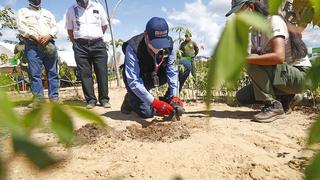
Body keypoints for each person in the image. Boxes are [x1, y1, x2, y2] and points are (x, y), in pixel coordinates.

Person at [226, 0, 311, 123]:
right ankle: (287, 98)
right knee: (242, 96)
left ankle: (273, 106)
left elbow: (279, 57)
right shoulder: (255, 30)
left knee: (250, 61)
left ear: (251, 7)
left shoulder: (273, 21)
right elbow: (256, 55)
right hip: (283, 75)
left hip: (300, 74)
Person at [120, 17, 185, 118]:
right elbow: (134, 81)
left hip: (156, 74)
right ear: (146, 34)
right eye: (155, 43)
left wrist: (175, 95)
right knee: (147, 113)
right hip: (139, 79)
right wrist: (155, 103)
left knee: (185, 66)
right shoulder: (133, 47)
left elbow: (173, 71)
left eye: (161, 43)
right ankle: (130, 99)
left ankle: (168, 100)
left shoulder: (169, 44)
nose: (159, 47)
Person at [65, 0, 110, 109]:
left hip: (98, 44)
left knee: (102, 72)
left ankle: (104, 99)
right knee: (85, 74)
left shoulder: (98, 6)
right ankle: (91, 100)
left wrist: (94, 36)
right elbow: (70, 30)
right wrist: (76, 43)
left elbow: (104, 26)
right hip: (80, 46)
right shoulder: (71, 10)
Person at [17, 0, 59, 107]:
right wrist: (34, 36)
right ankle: (38, 99)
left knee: (53, 72)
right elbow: (21, 27)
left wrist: (49, 35)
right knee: (35, 74)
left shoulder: (48, 13)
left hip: (49, 45)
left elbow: (54, 27)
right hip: (32, 46)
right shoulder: (23, 11)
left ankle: (54, 98)